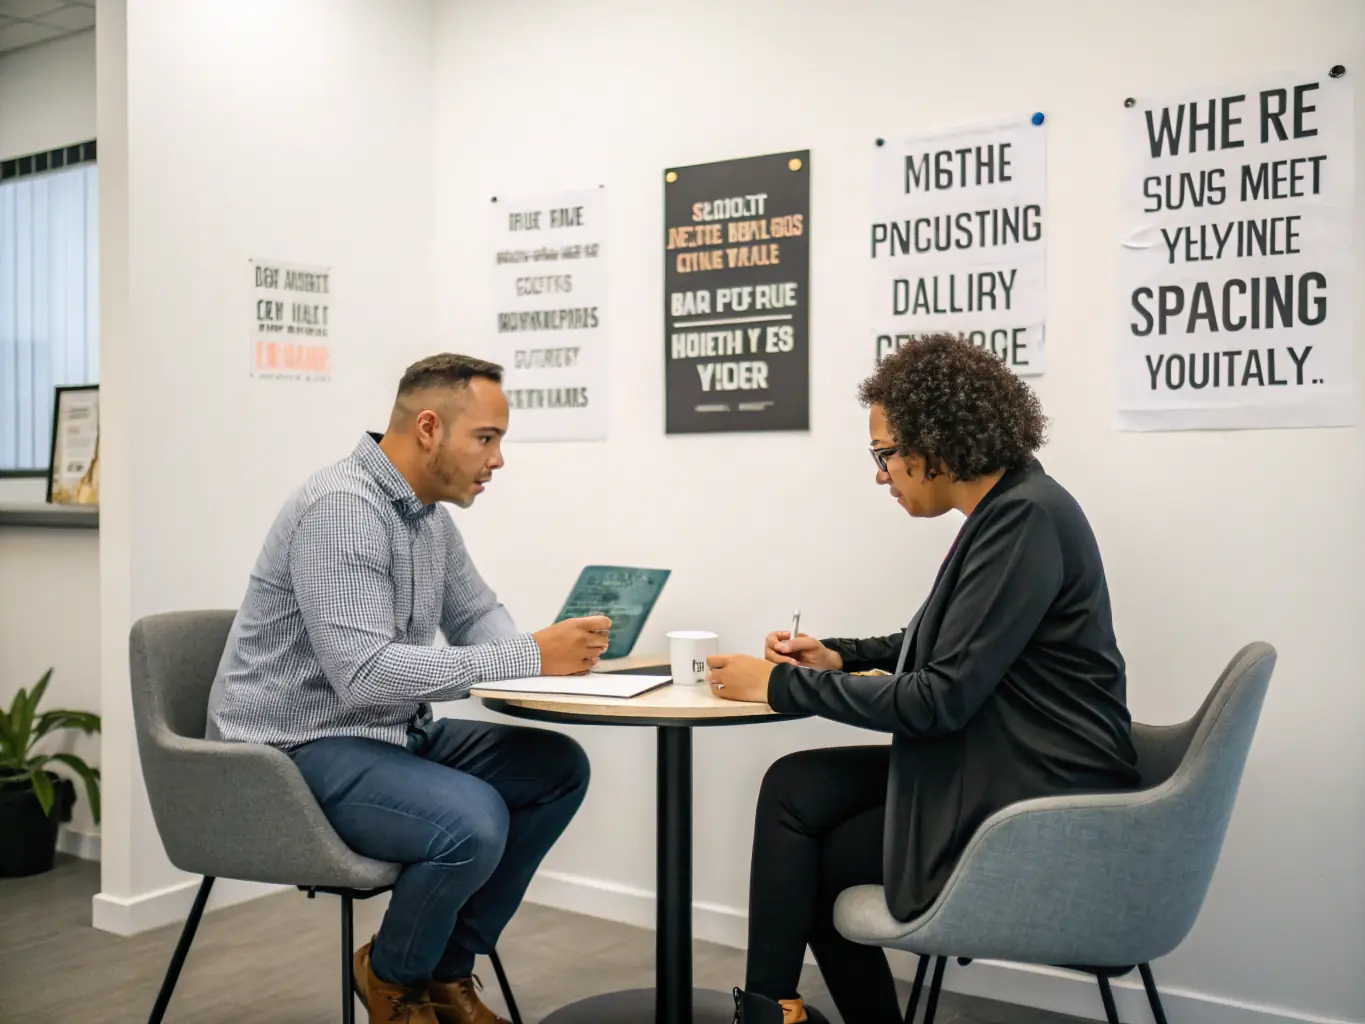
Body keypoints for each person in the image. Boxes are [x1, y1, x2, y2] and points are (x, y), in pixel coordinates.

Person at [706, 334, 1142, 1024]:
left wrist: (775, 685)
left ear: (935, 443)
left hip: (1036, 796)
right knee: (794, 784)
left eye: (884, 454)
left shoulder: (1024, 519)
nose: (880, 475)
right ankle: (771, 1006)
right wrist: (837, 656)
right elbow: (936, 646)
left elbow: (936, 700)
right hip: (1001, 762)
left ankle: (771, 1013)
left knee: (815, 860)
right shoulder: (1010, 509)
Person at [207, 353, 611, 1024]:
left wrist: (536, 662)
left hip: (387, 735)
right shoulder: (342, 508)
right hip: (292, 750)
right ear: (429, 428)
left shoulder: (425, 517)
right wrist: (526, 654)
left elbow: (475, 614)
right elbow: (363, 676)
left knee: (555, 769)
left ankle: (447, 973)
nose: (498, 459)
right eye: (486, 438)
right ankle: (393, 979)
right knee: (470, 822)